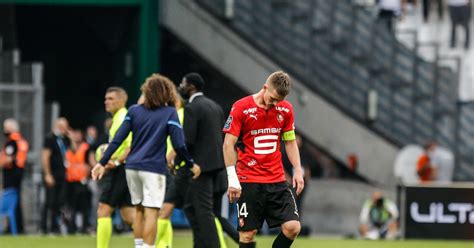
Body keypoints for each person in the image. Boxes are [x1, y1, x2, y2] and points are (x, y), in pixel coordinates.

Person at [92, 73, 201, 248]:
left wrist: (101, 162)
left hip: (132, 168)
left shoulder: (134, 110)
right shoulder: (169, 113)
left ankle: (139, 246)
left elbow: (118, 139)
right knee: (152, 212)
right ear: (166, 92)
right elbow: (179, 145)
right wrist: (190, 163)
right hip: (153, 169)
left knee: (139, 211)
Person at [223, 71, 304, 248]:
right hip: (249, 180)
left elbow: (290, 142)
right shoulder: (241, 107)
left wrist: (298, 169)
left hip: (277, 180)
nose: (275, 104)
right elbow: (228, 144)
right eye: (273, 98)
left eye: (279, 101)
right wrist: (232, 178)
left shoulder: (286, 109)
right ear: (265, 87)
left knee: (293, 227)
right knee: (247, 235)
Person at [178, 72, 228, 248]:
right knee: (191, 208)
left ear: (191, 86)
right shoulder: (215, 106)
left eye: (183, 84)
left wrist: (178, 162)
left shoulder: (192, 108)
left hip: (200, 168)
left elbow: (187, 140)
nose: (180, 87)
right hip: (217, 167)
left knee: (204, 212)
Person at [96, 87, 135, 248]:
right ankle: (154, 243)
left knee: (103, 210)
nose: (107, 101)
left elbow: (130, 145)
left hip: (121, 170)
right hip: (125, 169)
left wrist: (117, 162)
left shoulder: (122, 118)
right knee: (129, 215)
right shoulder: (118, 118)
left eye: (111, 98)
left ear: (121, 100)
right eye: (106, 98)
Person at [41, 117, 70, 234]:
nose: (64, 128)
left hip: (62, 175)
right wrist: (47, 174)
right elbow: (45, 157)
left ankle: (54, 227)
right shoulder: (50, 138)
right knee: (49, 202)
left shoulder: (64, 139)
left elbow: (71, 150)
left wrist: (70, 136)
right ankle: (44, 227)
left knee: (59, 203)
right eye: (62, 126)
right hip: (52, 174)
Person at [0, 118, 29, 234]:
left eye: (6, 127)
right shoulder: (21, 141)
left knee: (11, 202)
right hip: (18, 174)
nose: (4, 130)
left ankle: (14, 228)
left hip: (11, 176)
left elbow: (8, 159)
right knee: (16, 202)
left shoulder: (11, 142)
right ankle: (17, 226)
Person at [64, 129, 91, 233]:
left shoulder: (85, 148)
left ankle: (84, 227)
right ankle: (72, 227)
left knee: (84, 207)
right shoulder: (69, 149)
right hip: (71, 181)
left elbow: (89, 162)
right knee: (72, 206)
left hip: (82, 181)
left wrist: (87, 176)